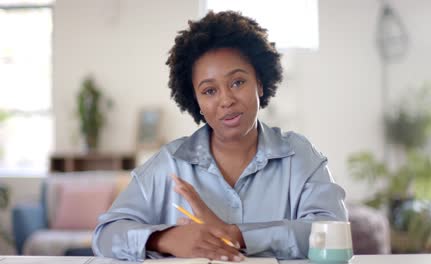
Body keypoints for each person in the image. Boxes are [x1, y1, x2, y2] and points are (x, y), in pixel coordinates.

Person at [92, 10, 347, 262]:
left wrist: (238, 235)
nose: (226, 100)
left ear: (259, 82)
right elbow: (106, 234)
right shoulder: (169, 165)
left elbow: (333, 230)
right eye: (210, 90)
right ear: (197, 102)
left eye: (237, 82)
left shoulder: (299, 156)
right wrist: (166, 239)